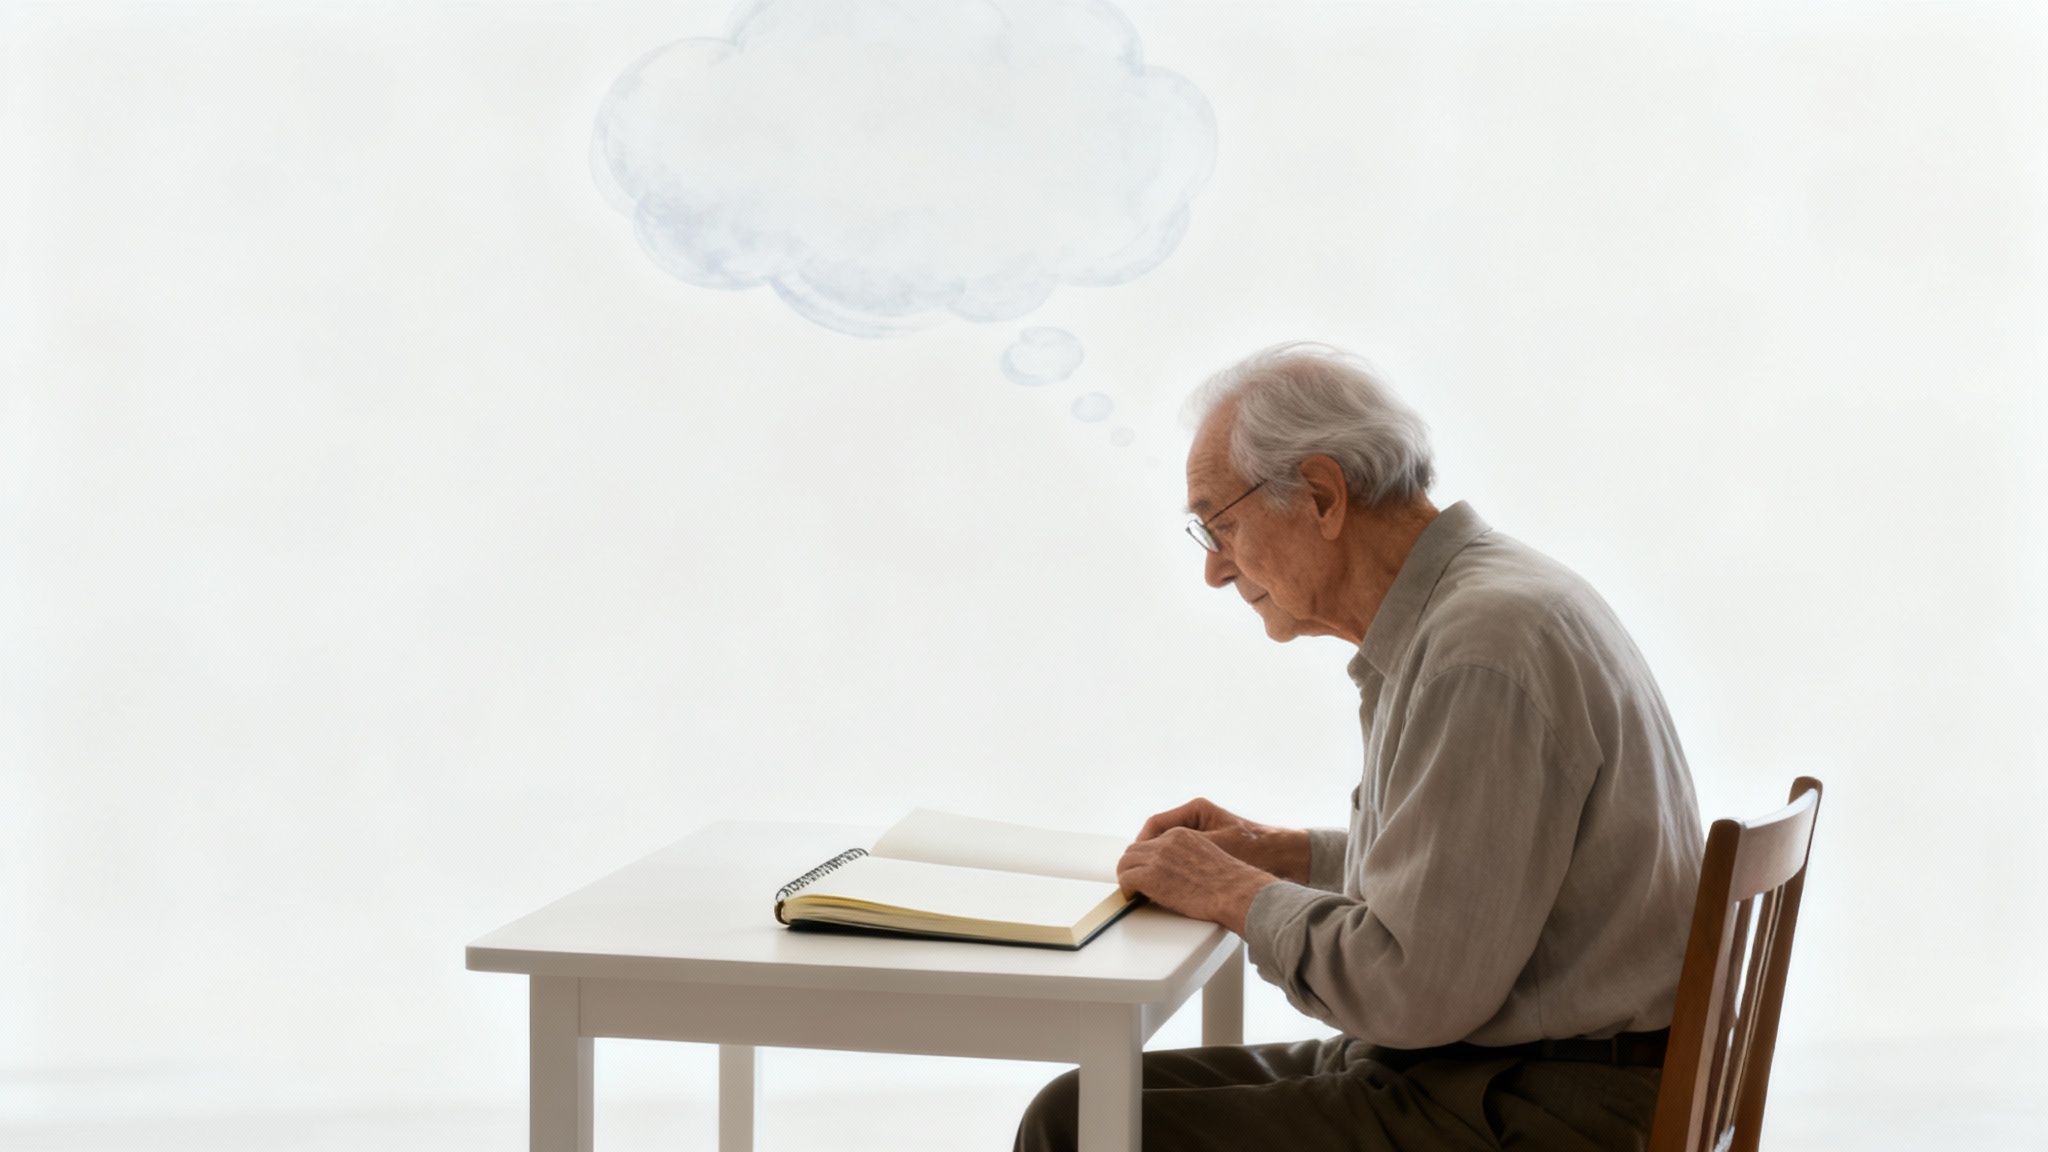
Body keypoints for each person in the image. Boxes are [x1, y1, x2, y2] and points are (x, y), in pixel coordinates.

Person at [1014, 343, 1706, 1151]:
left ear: (1321, 495)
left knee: (1080, 1127)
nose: (1213, 570)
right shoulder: (1482, 606)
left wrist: (1234, 893)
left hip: (1542, 1105)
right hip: (1519, 1067)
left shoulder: (1479, 649)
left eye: (1221, 525)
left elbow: (1413, 988)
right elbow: (1474, 880)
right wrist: (1286, 855)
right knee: (1085, 1104)